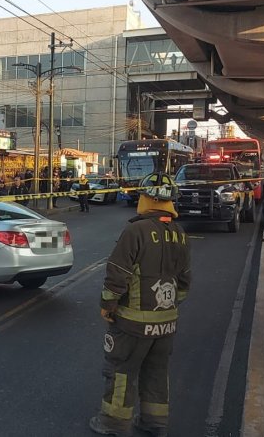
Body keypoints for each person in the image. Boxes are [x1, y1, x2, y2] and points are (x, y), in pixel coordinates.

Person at [90, 172, 191, 437]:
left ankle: (113, 423)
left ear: (147, 198)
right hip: (166, 324)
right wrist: (167, 309)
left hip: (133, 323)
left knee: (121, 370)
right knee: (157, 372)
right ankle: (154, 424)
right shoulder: (179, 233)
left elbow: (117, 272)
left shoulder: (136, 230)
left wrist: (107, 305)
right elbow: (184, 281)